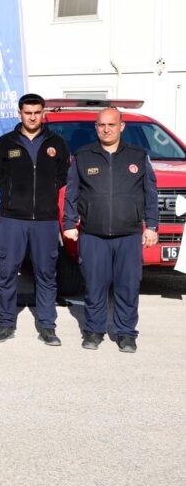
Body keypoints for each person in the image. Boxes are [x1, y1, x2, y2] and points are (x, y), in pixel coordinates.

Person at [63, 107, 158, 353]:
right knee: (95, 285)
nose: (106, 129)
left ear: (121, 126)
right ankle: (94, 331)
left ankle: (126, 334)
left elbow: (150, 194)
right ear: (96, 127)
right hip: (93, 234)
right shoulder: (83, 156)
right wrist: (69, 223)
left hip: (129, 234)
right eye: (101, 125)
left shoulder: (138, 155)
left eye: (111, 125)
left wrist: (153, 226)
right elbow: (71, 193)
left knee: (128, 286)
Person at [0, 93, 70, 346]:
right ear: (20, 113)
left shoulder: (56, 142)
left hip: (45, 219)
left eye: (37, 112)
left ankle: (47, 326)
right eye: (27, 112)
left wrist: (45, 195)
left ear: (43, 113)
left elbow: (62, 176)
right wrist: (13, 193)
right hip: (12, 218)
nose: (32, 116)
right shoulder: (5, 143)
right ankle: (5, 323)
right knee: (7, 272)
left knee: (46, 273)